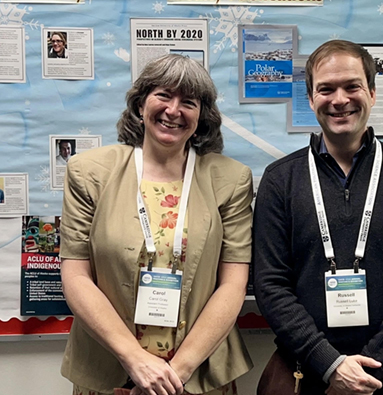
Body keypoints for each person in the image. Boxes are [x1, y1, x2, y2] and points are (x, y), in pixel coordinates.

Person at [253, 40, 383, 395]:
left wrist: (368, 367)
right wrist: (329, 364)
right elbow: (270, 285)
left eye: (352, 86)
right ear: (310, 99)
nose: (339, 99)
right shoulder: (281, 180)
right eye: (326, 89)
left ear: (372, 92)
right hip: (299, 372)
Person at [60, 54, 253, 395]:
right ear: (140, 104)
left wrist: (176, 373)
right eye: (164, 95)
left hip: (197, 374)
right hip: (109, 369)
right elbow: (76, 277)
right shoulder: (89, 173)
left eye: (188, 102)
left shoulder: (230, 179)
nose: (173, 110)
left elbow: (233, 286)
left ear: (201, 116)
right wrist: (135, 359)